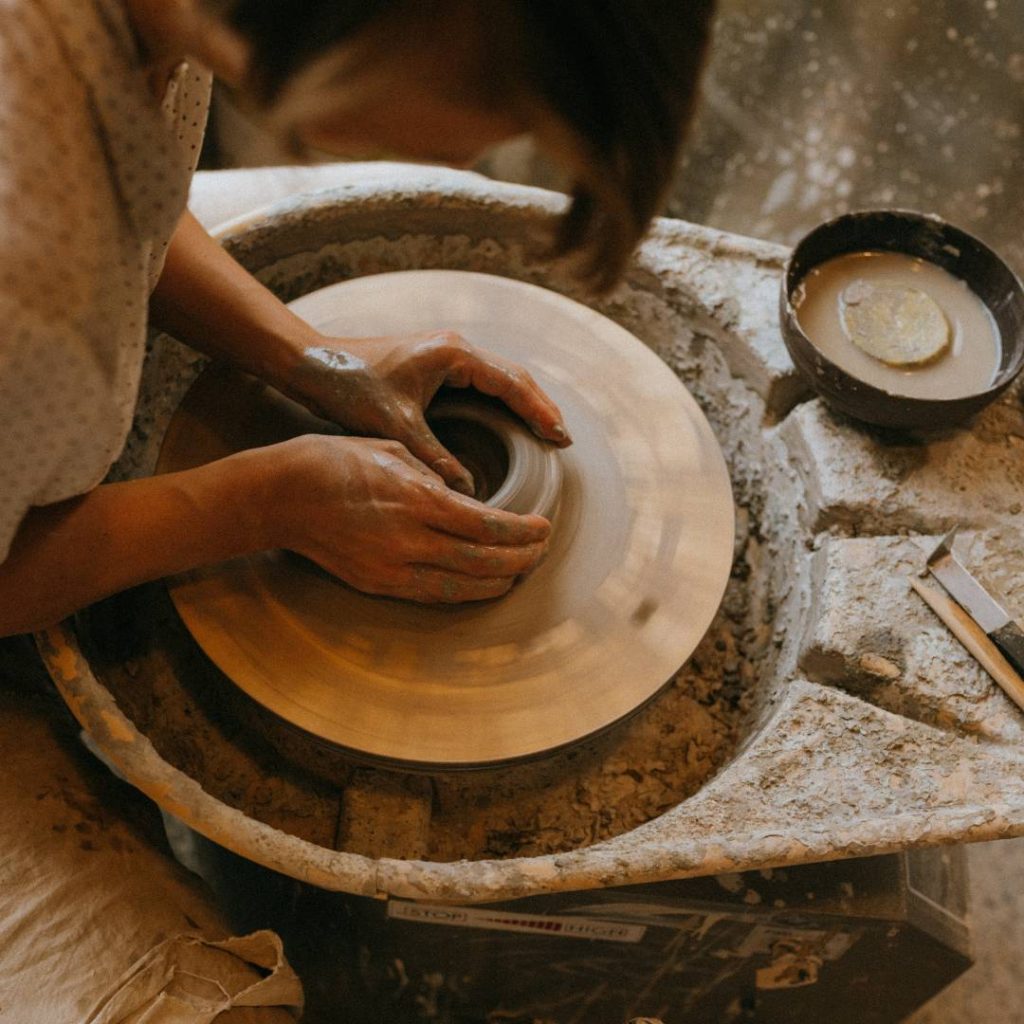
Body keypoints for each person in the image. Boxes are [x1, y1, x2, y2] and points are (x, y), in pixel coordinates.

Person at [0, 0, 715, 637]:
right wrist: (260, 504)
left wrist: (309, 357)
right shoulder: (28, 252)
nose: (473, 154)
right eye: (501, 102)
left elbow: (132, 201)